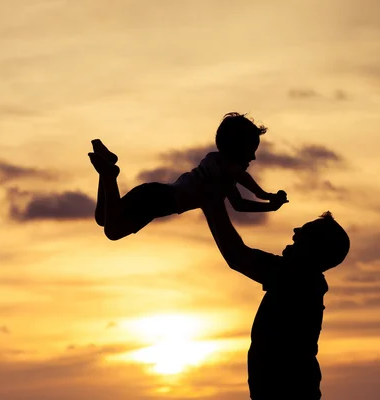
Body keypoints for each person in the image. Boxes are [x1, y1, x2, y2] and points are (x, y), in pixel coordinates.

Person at [201, 199, 350, 400]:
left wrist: (212, 203)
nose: (296, 230)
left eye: (305, 231)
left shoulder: (297, 278)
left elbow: (236, 255)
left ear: (313, 248)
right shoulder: (304, 280)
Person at [88, 112, 288, 241]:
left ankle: (107, 165)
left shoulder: (217, 167)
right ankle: (108, 175)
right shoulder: (222, 170)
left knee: (102, 218)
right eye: (250, 151)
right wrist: (267, 198)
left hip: (153, 194)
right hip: (158, 200)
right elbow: (241, 190)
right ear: (236, 149)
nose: (253, 157)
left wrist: (268, 201)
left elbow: (241, 194)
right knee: (112, 231)